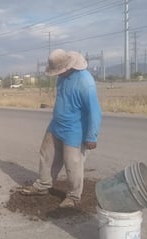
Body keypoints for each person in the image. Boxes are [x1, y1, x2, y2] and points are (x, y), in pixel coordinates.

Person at [20, 49, 102, 208]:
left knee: (73, 164)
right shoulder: (62, 78)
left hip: (74, 130)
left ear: (69, 67)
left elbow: (95, 111)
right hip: (56, 125)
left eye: (60, 71)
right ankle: (43, 185)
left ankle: (73, 196)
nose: (58, 74)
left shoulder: (86, 82)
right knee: (46, 155)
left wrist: (92, 136)